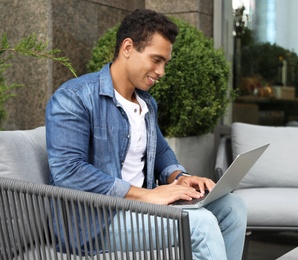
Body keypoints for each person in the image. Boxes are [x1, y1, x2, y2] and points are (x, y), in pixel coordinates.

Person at [46, 8, 247, 260]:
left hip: (141, 209)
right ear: (128, 48)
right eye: (156, 60)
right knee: (201, 224)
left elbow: (160, 150)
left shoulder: (146, 103)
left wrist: (180, 177)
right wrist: (147, 195)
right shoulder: (74, 98)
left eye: (165, 63)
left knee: (232, 207)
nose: (161, 71)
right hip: (94, 223)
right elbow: (68, 171)